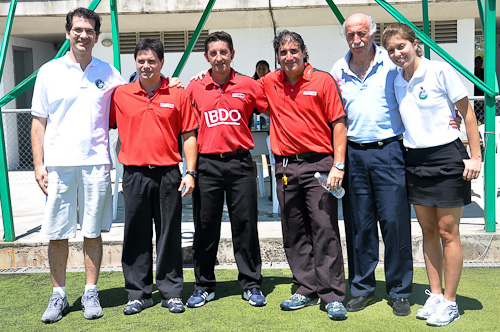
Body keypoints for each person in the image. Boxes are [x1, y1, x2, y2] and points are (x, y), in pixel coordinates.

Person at [382, 23, 481, 327]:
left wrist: (475, 156)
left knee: (448, 232)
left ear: (414, 43)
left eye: (402, 46)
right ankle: (436, 295)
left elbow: (467, 113)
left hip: (447, 158)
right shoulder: (397, 80)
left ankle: (451, 302)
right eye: (391, 50)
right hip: (415, 159)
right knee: (428, 232)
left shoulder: (440, 71)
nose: (398, 54)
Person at [31, 8, 125, 323]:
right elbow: (38, 122)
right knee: (57, 234)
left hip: (97, 163)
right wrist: (38, 164)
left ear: (97, 37)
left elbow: (134, 102)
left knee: (92, 232)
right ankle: (58, 295)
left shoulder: (109, 72)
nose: (83, 35)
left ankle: (90, 291)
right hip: (58, 166)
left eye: (89, 31)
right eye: (77, 29)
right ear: (68, 33)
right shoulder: (48, 72)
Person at [259, 30, 348, 321]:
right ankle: (305, 288)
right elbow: (237, 88)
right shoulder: (270, 83)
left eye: (293, 51)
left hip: (320, 166)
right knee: (293, 230)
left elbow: (338, 123)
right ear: (277, 56)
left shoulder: (323, 80)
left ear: (304, 52)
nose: (289, 57)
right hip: (285, 168)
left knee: (324, 228)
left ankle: (332, 295)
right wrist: (198, 76)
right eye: (283, 52)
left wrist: (339, 164)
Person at [331, 13, 413, 316]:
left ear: (372, 34)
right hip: (354, 155)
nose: (357, 39)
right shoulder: (337, 69)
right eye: (351, 34)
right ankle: (362, 288)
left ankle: (400, 291)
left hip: (389, 151)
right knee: (359, 226)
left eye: (362, 33)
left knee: (394, 224)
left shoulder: (393, 64)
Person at [109, 38, 198, 315]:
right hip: (134, 174)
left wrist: (190, 172)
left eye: (152, 61)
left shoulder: (178, 94)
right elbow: (104, 126)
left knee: (169, 234)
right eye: (141, 61)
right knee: (135, 234)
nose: (146, 66)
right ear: (135, 63)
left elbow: (189, 135)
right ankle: (138, 293)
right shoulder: (121, 95)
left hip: (168, 174)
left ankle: (171, 292)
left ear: (162, 63)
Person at [185, 31, 268, 308]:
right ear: (206, 57)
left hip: (240, 163)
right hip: (207, 165)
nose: (219, 57)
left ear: (232, 53)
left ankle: (251, 283)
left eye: (223, 52)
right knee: (205, 227)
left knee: (245, 225)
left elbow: (275, 107)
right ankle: (204, 285)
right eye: (213, 53)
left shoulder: (248, 84)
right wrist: (191, 170)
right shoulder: (195, 87)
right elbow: (187, 127)